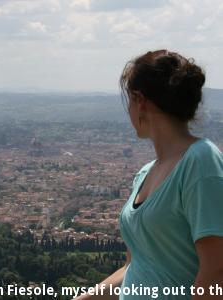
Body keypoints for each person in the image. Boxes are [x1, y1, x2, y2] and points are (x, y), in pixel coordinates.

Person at [74, 50, 223, 299]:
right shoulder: (145, 173)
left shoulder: (200, 161)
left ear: (140, 100)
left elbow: (216, 272)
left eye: (129, 102)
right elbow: (135, 267)